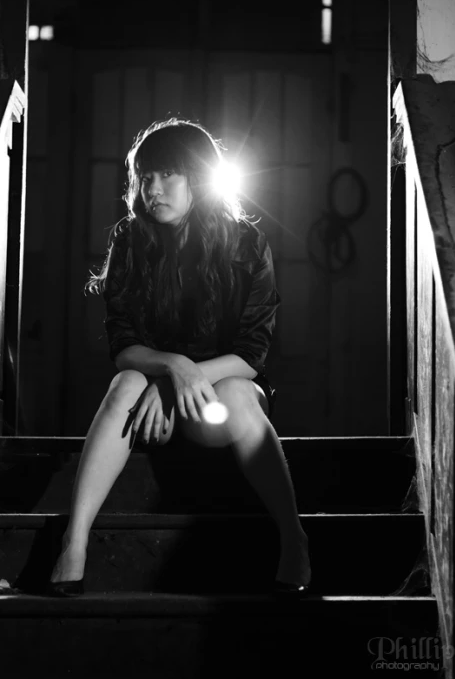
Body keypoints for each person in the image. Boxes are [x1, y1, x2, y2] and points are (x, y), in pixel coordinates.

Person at [48, 118, 311, 596]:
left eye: (168, 174)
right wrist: (170, 368)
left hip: (220, 407)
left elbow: (251, 355)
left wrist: (178, 379)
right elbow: (123, 346)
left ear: (199, 177)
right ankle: (75, 542)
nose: (153, 188)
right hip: (154, 411)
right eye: (145, 176)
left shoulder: (246, 244)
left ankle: (294, 539)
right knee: (124, 384)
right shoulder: (131, 240)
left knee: (236, 392)